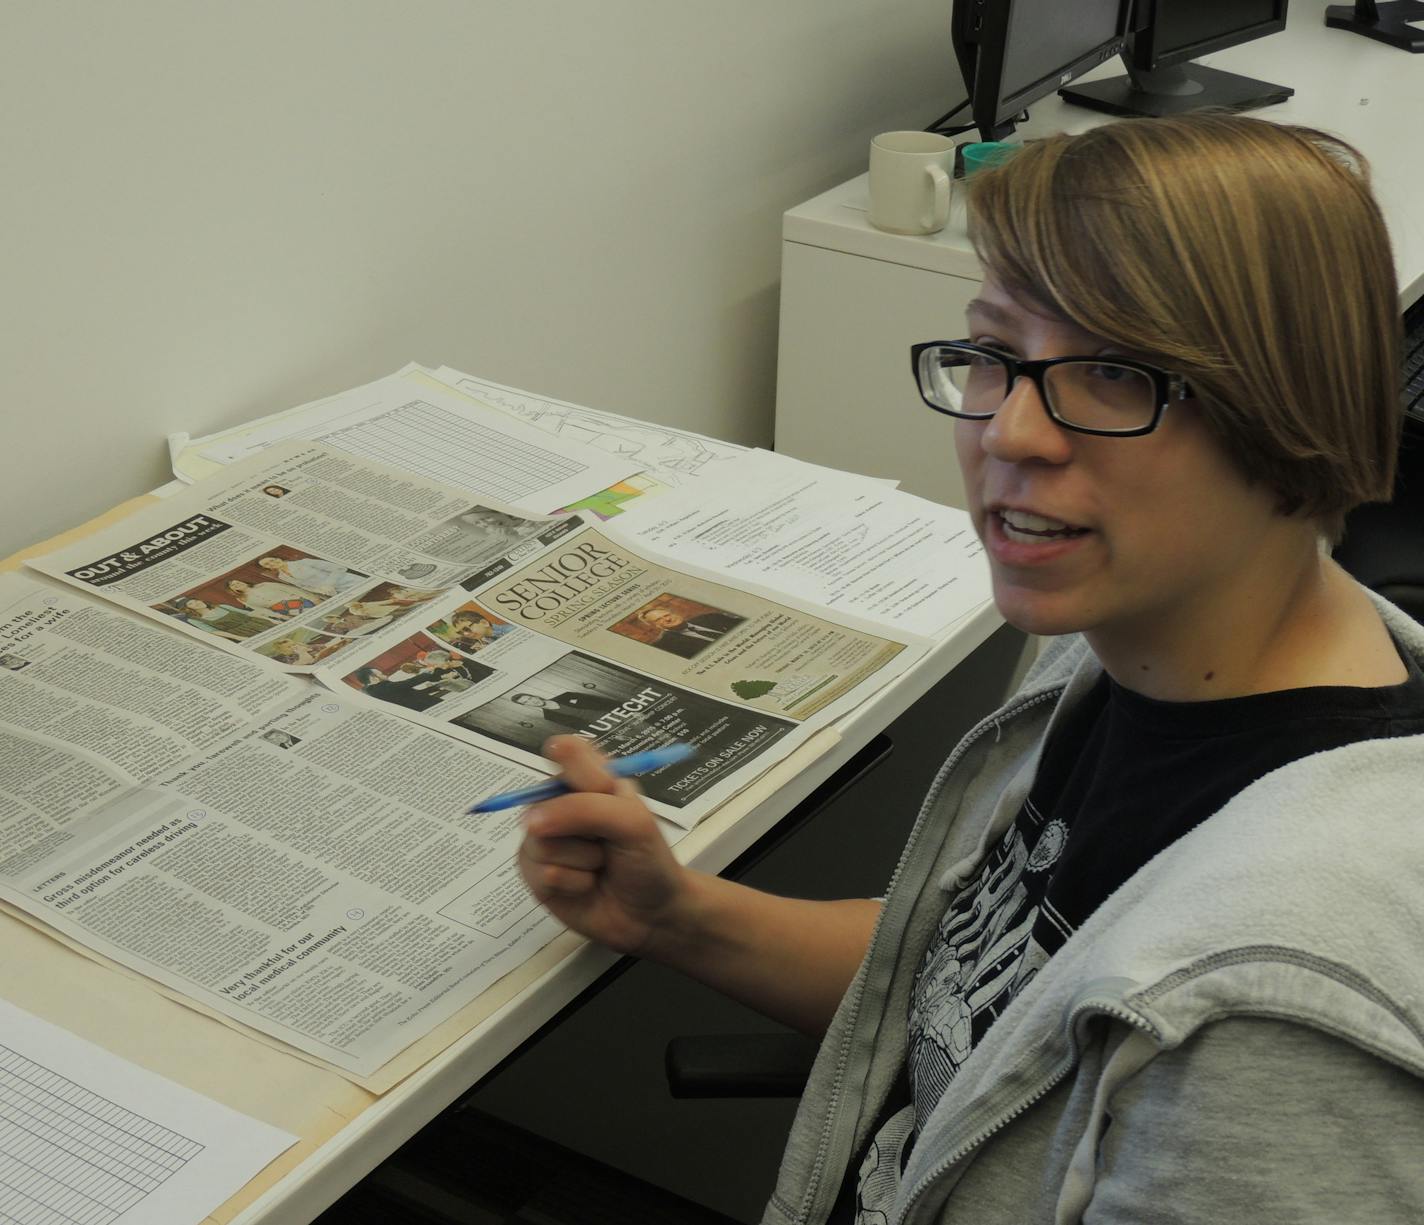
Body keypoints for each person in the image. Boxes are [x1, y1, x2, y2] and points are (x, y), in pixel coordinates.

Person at [517, 115, 1424, 1223]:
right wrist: (674, 915)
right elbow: (978, 988)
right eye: (993, 354)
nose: (1011, 432)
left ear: (1286, 405)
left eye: (1106, 370)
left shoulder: (1273, 1030)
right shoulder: (1127, 644)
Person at [633, 603, 745, 659]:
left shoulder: (711, 617)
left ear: (673, 613)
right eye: (659, 620)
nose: (667, 619)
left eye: (667, 615)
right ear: (656, 626)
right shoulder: (664, 646)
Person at [255, 554, 366, 597]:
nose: (272, 563)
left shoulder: (304, 562)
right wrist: (321, 591)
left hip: (351, 582)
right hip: (339, 593)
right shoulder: (282, 577)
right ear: (268, 568)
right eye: (267, 564)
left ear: (278, 558)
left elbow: (339, 568)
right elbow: (305, 587)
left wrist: (328, 584)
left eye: (272, 560)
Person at [509, 690, 617, 728]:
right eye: (526, 702)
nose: (532, 701)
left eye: (530, 698)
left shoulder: (566, 696)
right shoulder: (549, 717)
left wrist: (628, 708)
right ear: (527, 706)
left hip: (615, 712)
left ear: (535, 696)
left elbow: (602, 701)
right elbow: (581, 727)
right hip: (604, 726)